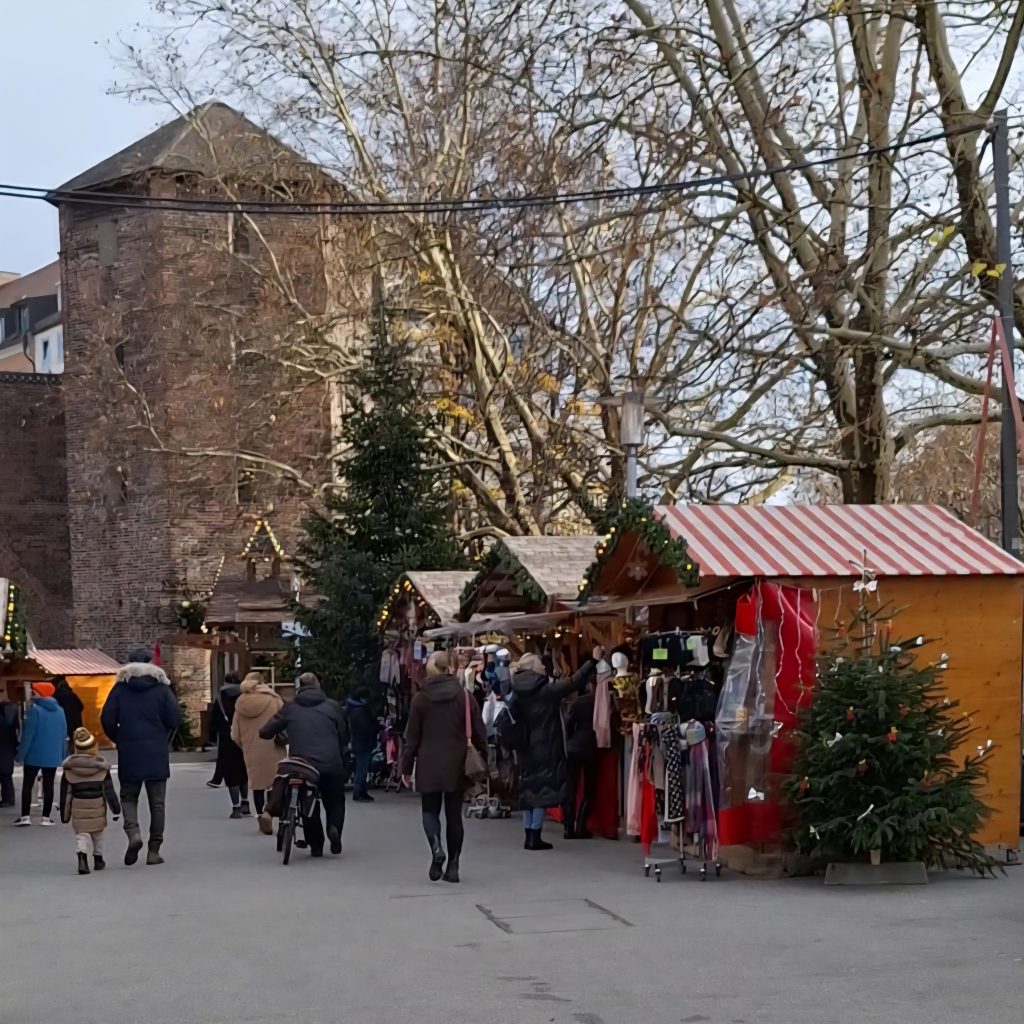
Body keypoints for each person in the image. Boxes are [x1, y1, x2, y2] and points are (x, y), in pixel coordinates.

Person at [402, 651, 486, 883]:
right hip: (457, 763)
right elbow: (479, 732)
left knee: (429, 811)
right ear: (450, 668)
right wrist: (484, 759)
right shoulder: (465, 697)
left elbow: (412, 738)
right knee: (454, 816)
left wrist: (406, 768)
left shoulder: (420, 699)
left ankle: (436, 847)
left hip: (428, 762)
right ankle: (453, 866)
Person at [511, 646, 602, 850]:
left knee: (529, 789)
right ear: (532, 668)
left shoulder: (516, 689)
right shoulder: (545, 690)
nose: (544, 666)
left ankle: (528, 835)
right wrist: (593, 661)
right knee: (542, 789)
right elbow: (573, 682)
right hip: (545, 743)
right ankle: (535, 835)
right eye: (540, 664)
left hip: (524, 745)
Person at [100, 647, 181, 866]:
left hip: (129, 749)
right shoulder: (162, 689)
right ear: (150, 663)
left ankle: (133, 833)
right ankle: (154, 850)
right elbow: (174, 717)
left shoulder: (120, 689)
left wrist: (119, 737)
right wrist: (162, 736)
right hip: (156, 750)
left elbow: (107, 718)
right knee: (158, 803)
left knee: (128, 797)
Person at [259, 672, 349, 857]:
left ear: (299, 686)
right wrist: (341, 755)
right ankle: (334, 828)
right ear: (318, 685)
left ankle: (316, 845)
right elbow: (344, 734)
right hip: (331, 763)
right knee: (334, 799)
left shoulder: (290, 707)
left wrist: (267, 734)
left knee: (306, 799)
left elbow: (267, 730)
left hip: (303, 765)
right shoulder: (333, 706)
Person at [60, 727, 120, 875]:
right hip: (97, 805)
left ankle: (82, 859)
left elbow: (66, 794)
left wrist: (65, 815)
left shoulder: (69, 769)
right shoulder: (102, 768)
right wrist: (116, 809)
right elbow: (109, 791)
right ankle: (98, 859)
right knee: (98, 833)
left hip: (78, 806)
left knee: (81, 835)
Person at [231, 671, 284, 835]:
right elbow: (285, 722)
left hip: (251, 748)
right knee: (275, 782)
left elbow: (235, 733)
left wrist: (245, 745)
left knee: (257, 784)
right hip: (274, 746)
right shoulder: (274, 700)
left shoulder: (240, 703)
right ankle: (271, 813)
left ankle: (261, 816)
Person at [562, 661, 610, 839]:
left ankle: (568, 827)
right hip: (592, 748)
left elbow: (568, 725)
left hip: (574, 747)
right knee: (590, 789)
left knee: (571, 789)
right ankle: (581, 825)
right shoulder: (604, 704)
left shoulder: (578, 702)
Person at [14, 682, 67, 826]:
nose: (31, 694)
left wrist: (20, 755)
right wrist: (63, 755)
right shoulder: (60, 711)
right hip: (52, 755)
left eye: (34, 691)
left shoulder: (34, 710)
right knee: (49, 786)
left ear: (41, 693)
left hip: (34, 754)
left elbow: (28, 736)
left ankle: (25, 816)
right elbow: (63, 734)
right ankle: (46, 818)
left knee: (28, 784)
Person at [209, 676, 249, 818]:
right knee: (244, 770)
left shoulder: (221, 698)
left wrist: (214, 736)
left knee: (231, 773)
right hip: (244, 737)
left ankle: (236, 807)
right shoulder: (246, 697)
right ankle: (245, 802)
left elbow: (213, 722)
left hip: (227, 738)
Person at [346, 687, 378, 802]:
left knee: (361, 769)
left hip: (359, 743)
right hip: (363, 743)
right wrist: (375, 726)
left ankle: (362, 791)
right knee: (362, 770)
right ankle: (359, 793)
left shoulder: (354, 709)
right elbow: (365, 728)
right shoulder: (360, 711)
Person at [52, 676, 85, 747]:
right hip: (75, 722)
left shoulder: (57, 696)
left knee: (63, 739)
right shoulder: (73, 695)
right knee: (74, 739)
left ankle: (65, 751)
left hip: (63, 721)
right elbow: (81, 706)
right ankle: (73, 750)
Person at [0, 690, 19, 808]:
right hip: (8, 746)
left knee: (5, 775)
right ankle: (8, 799)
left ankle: (8, 799)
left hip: (5, 745)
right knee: (6, 775)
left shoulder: (7, 711)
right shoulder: (13, 709)